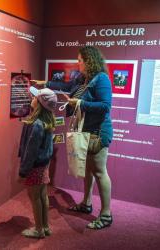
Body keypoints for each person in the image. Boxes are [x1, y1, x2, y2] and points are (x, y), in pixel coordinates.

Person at [33, 46, 113, 230]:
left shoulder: (101, 79)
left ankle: (106, 214)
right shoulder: (83, 78)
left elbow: (105, 106)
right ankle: (86, 203)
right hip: (84, 129)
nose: (79, 63)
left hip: (98, 132)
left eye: (80, 60)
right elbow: (67, 87)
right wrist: (45, 83)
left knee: (100, 172)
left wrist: (81, 103)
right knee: (87, 170)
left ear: (89, 61)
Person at [18, 87, 58, 238]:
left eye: (35, 97)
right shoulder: (46, 121)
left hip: (34, 167)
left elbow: (30, 151)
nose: (32, 98)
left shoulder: (36, 125)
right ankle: (45, 227)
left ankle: (38, 230)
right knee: (43, 195)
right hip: (43, 165)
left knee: (35, 197)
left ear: (40, 104)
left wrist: (23, 171)